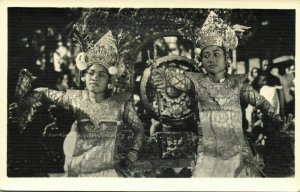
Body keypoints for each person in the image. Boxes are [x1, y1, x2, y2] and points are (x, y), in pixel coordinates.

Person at [152, 11, 287, 177]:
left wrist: (277, 120)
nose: (211, 59)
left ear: (227, 58)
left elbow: (262, 103)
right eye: (206, 55)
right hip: (208, 157)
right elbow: (158, 72)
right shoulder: (196, 83)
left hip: (238, 156)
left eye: (216, 54)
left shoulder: (238, 84)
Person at [10, 31, 145, 177]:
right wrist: (26, 102)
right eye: (91, 72)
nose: (95, 78)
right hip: (79, 172)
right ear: (84, 76)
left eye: (102, 75)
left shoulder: (121, 103)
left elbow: (139, 130)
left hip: (111, 172)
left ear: (110, 81)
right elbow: (44, 93)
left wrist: (133, 153)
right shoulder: (76, 98)